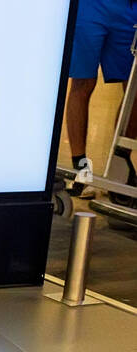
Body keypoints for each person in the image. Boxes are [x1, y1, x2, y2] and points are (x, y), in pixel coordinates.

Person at [66, 0, 137, 204]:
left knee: (133, 87)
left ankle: (119, 167)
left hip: (129, 10)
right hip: (91, 6)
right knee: (83, 83)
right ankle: (80, 168)